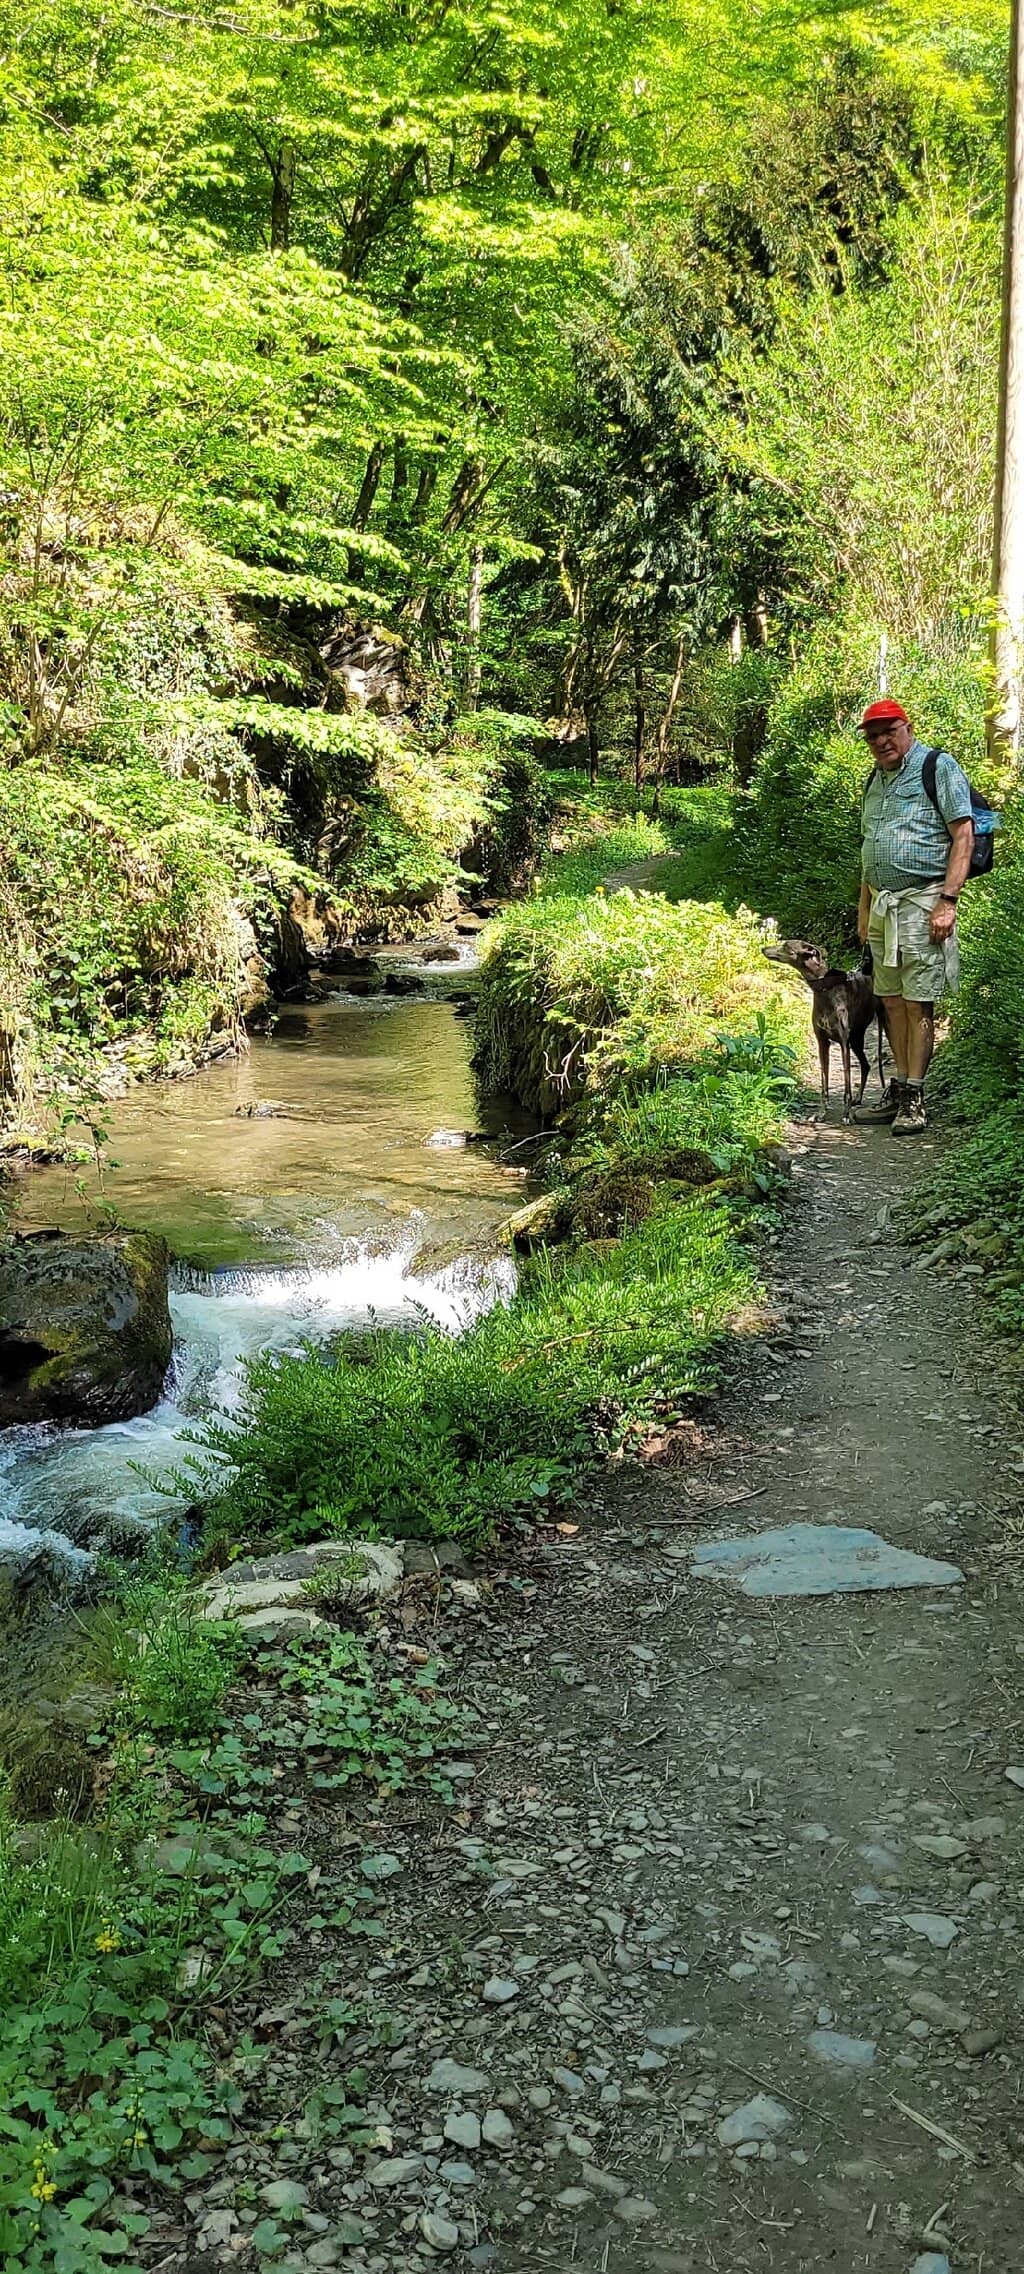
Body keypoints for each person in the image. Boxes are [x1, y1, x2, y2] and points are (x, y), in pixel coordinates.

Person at [856, 698, 974, 1134]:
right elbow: (868, 847)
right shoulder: (874, 780)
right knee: (889, 1001)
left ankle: (914, 1095)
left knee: (917, 1001)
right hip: (883, 905)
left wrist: (948, 900)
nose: (882, 741)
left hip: (924, 899)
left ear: (907, 727)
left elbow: (963, 833)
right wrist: (864, 908)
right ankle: (898, 1088)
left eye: (890, 730)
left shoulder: (937, 767)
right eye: (873, 735)